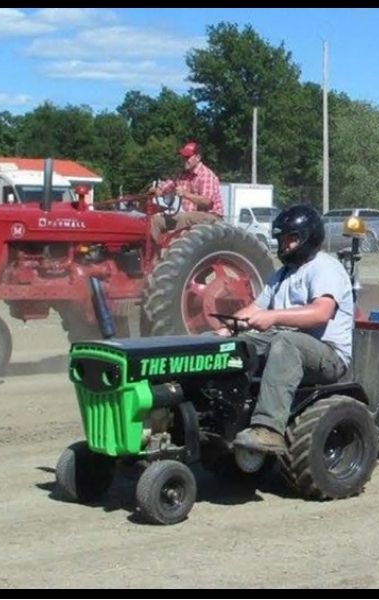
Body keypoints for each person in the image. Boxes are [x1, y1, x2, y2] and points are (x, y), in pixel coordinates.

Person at [224, 204, 356, 454]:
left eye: (291, 239)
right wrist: (226, 330)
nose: (284, 246)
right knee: (233, 346)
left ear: (308, 237)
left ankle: (269, 429)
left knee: (285, 341)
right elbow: (253, 309)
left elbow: (321, 313)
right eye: (281, 240)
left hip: (328, 355)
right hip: (286, 344)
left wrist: (272, 317)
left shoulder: (324, 268)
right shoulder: (282, 274)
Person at [147, 141, 223, 238]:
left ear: (198, 157)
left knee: (184, 218)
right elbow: (166, 186)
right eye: (183, 157)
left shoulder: (206, 175)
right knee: (156, 220)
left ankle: (175, 250)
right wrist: (157, 190)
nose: (184, 160)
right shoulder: (181, 174)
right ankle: (153, 251)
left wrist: (185, 194)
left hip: (211, 217)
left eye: (187, 157)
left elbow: (207, 202)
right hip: (189, 216)